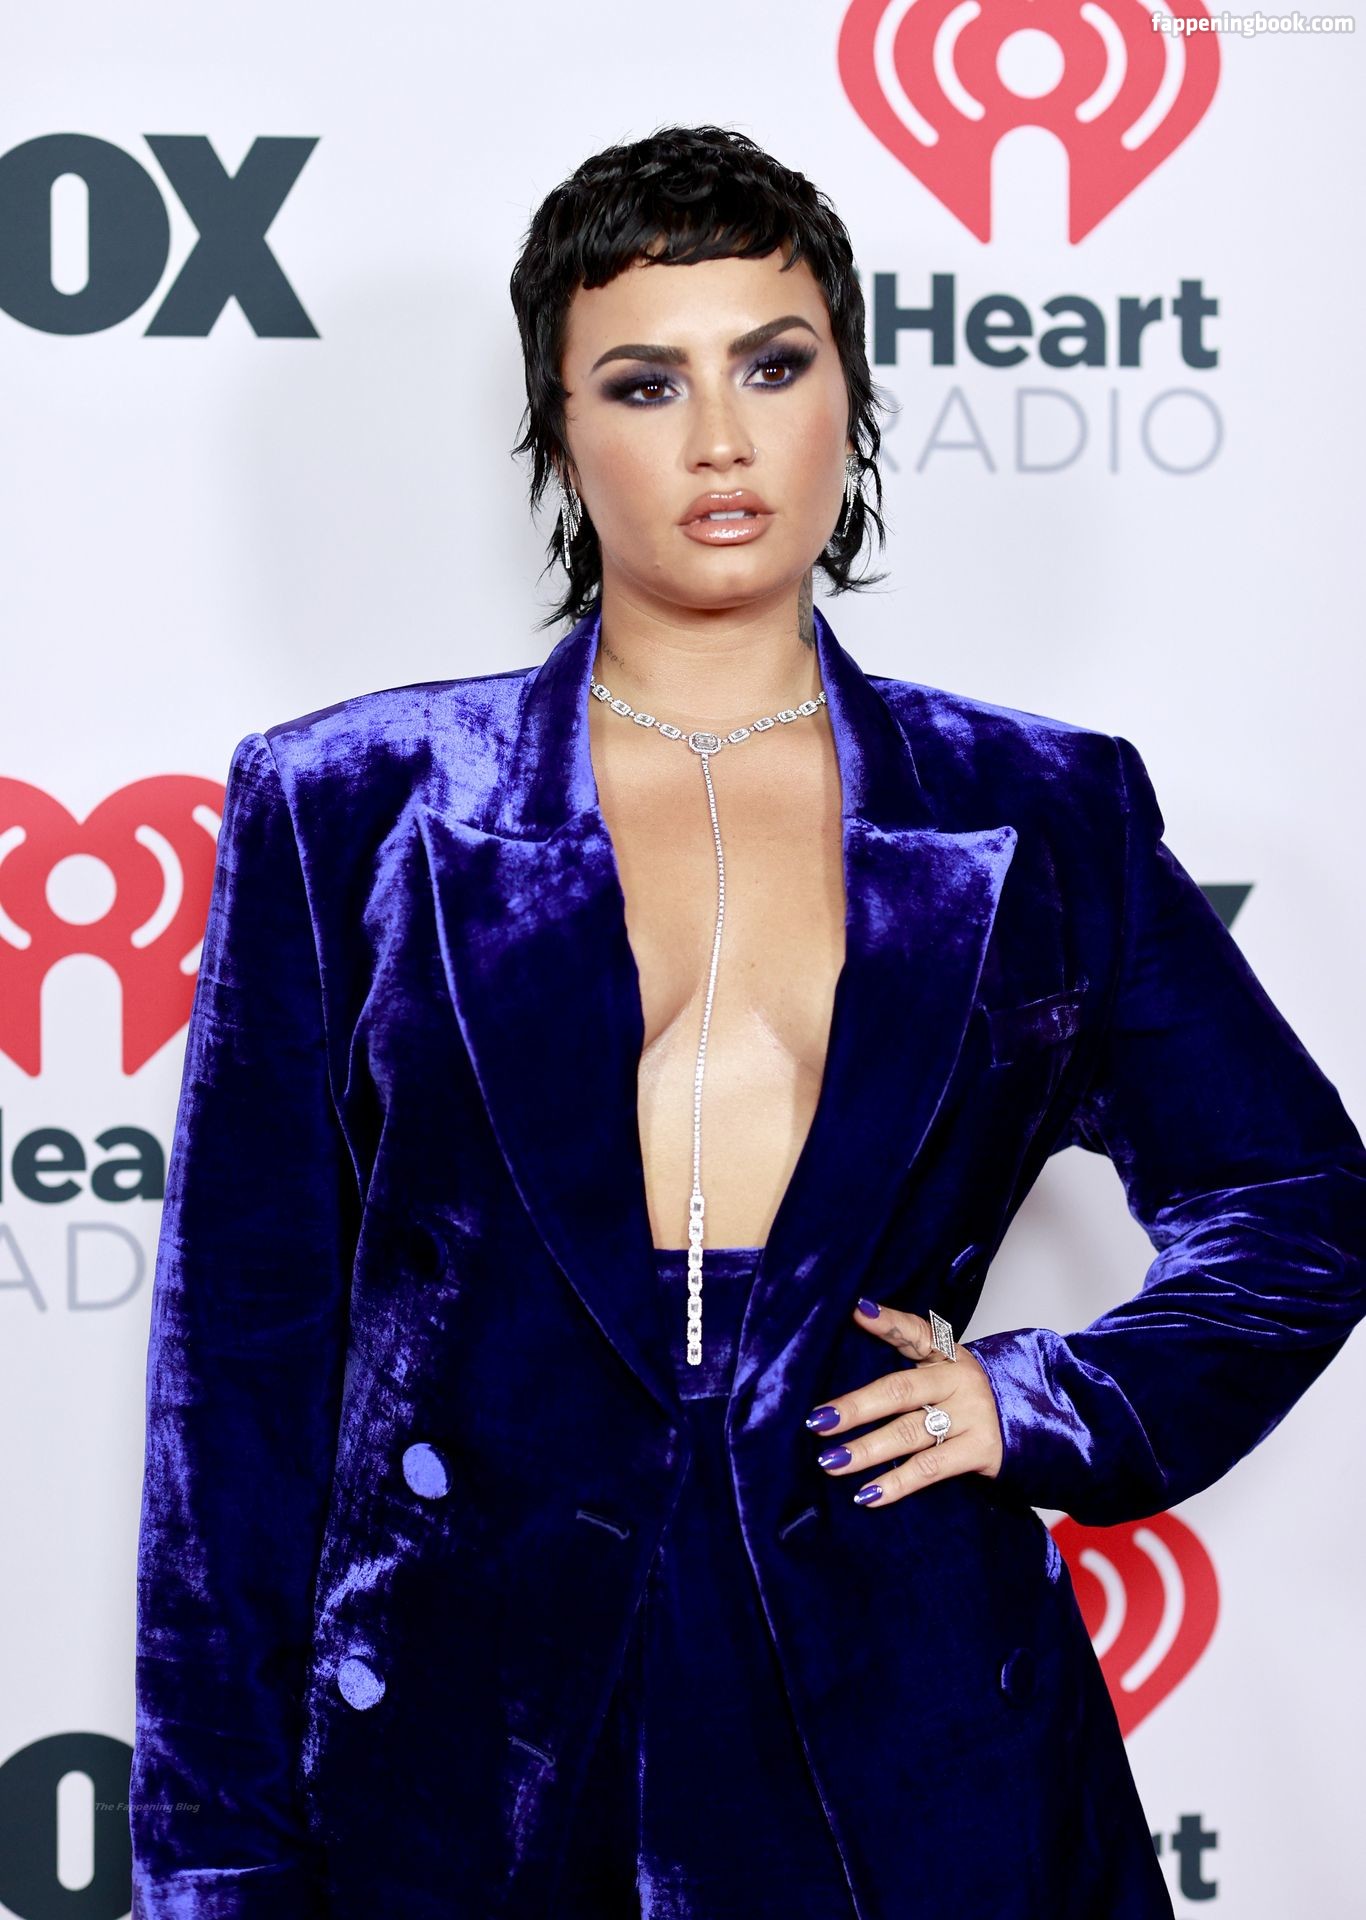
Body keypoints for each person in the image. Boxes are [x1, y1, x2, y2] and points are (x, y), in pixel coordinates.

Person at [129, 124, 1366, 1919]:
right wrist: (218, 1868)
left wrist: (1050, 1402)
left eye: (772, 366)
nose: (719, 437)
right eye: (646, 382)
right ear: (560, 433)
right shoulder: (350, 806)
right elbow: (238, 1374)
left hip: (906, 1719)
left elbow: (1296, 1200)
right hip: (465, 1747)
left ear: (846, 395)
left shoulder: (1035, 809)